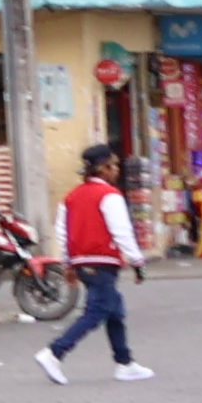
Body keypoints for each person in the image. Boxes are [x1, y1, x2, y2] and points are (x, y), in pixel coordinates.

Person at [38, 139, 150, 384]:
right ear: (104, 168)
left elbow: (62, 231)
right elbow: (121, 231)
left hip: (81, 260)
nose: (117, 170)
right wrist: (137, 262)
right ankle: (55, 352)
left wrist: (68, 263)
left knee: (115, 310)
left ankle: (124, 362)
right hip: (102, 260)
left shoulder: (71, 197)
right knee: (97, 311)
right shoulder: (110, 195)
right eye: (114, 165)